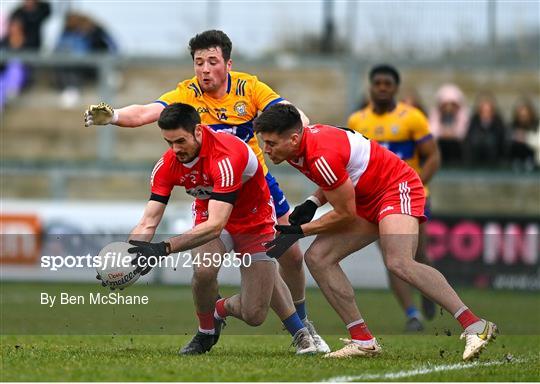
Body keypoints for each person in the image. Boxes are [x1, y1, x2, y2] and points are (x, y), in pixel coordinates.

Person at [84, 30, 329, 353]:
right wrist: (114, 116)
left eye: (212, 61)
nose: (204, 69)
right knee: (204, 271)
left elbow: (287, 113)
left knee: (291, 257)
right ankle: (210, 329)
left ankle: (302, 320)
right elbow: (146, 113)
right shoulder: (186, 95)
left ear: (228, 63)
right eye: (198, 62)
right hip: (213, 195)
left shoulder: (249, 88)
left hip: (256, 189)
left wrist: (298, 123)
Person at [254, 103, 497, 361]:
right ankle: (363, 340)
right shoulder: (298, 147)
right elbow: (339, 176)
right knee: (318, 258)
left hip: (395, 187)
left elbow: (345, 214)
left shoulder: (318, 153)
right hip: (366, 198)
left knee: (398, 261)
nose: (265, 150)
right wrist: (313, 203)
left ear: (293, 137)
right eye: (264, 143)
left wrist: (300, 231)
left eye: (270, 143)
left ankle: (475, 325)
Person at [121, 102, 317, 355]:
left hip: (253, 220)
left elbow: (216, 226)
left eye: (180, 141)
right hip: (210, 214)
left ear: (199, 131)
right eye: (169, 142)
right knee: (204, 270)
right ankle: (206, 333)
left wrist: (162, 248)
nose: (175, 150)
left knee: (255, 314)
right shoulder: (167, 164)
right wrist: (131, 253)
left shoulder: (226, 156)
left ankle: (219, 309)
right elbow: (149, 220)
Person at [347, 64, 440, 332]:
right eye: (378, 84)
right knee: (392, 257)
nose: (383, 88)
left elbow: (433, 155)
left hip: (410, 197)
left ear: (396, 87)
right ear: (371, 86)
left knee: (417, 254)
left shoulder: (412, 118)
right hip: (376, 201)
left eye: (388, 84)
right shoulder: (358, 121)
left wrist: (417, 184)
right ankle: (412, 314)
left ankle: (428, 293)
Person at [429, 84, 470, 166]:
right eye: (446, 104)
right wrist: (443, 132)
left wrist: (452, 133)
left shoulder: (462, 114)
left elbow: (462, 132)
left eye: (452, 104)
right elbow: (433, 132)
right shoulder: (436, 114)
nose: (449, 107)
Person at [464, 93, 507, 168]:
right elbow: (469, 138)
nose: (485, 114)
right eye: (483, 111)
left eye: (488, 111)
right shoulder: (474, 121)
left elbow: (501, 140)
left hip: (494, 160)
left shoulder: (498, 122)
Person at [508, 97, 539, 171]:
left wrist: (525, 137)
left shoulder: (537, 124)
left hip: (534, 161)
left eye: (525, 114)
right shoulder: (513, 126)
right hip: (516, 160)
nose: (523, 116)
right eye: (521, 114)